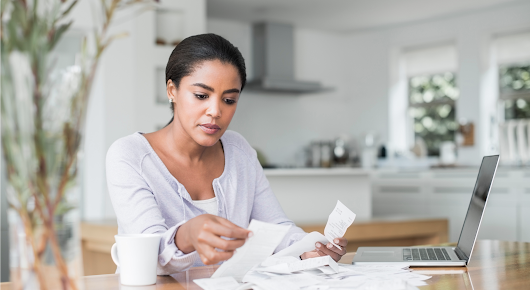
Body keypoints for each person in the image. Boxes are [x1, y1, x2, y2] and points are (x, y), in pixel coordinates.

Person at [106, 33, 348, 274]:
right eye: (201, 96)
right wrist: (187, 234)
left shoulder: (238, 150)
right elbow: (149, 254)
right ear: (172, 90)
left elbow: (276, 226)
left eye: (229, 99)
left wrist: (309, 250)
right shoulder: (130, 156)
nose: (215, 111)